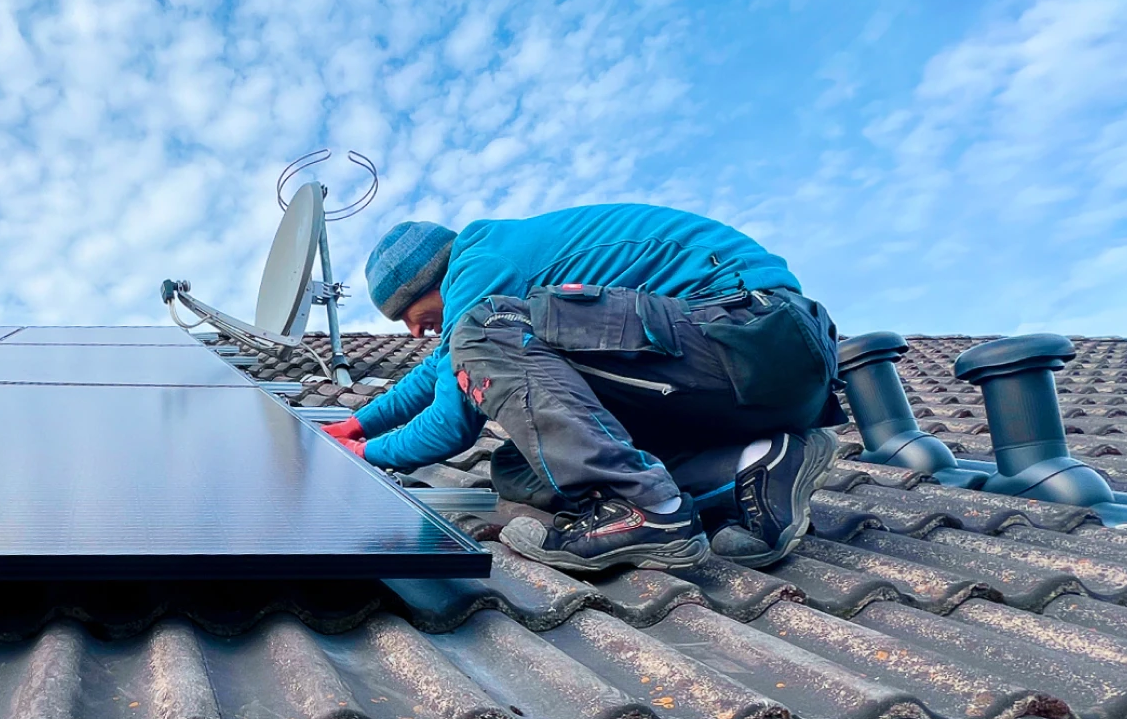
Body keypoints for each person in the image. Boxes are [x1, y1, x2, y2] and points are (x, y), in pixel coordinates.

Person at [326, 204, 842, 572]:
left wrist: (366, 452)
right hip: (751, 375)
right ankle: (754, 462)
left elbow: (452, 423)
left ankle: (648, 509)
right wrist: (355, 423)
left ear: (426, 284)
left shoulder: (480, 267)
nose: (411, 332)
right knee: (520, 466)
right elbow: (437, 372)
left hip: (753, 331)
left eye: (406, 316)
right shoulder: (492, 272)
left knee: (481, 332)